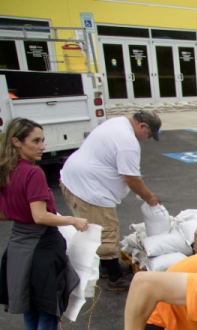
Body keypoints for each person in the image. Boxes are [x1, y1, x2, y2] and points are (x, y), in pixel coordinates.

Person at [0, 118, 88, 330]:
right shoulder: (32, 173)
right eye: (36, 141)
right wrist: (72, 220)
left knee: (31, 307)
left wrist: (20, 213)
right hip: (41, 247)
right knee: (47, 308)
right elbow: (41, 216)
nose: (42, 146)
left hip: (18, 245)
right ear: (16, 142)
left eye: (42, 140)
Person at [59, 110, 162, 290]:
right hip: (89, 189)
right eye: (148, 134)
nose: (146, 138)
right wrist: (150, 198)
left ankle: (106, 267)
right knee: (106, 231)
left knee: (94, 230)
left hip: (76, 181)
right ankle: (115, 279)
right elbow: (131, 179)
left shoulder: (117, 123)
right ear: (142, 126)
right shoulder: (127, 142)